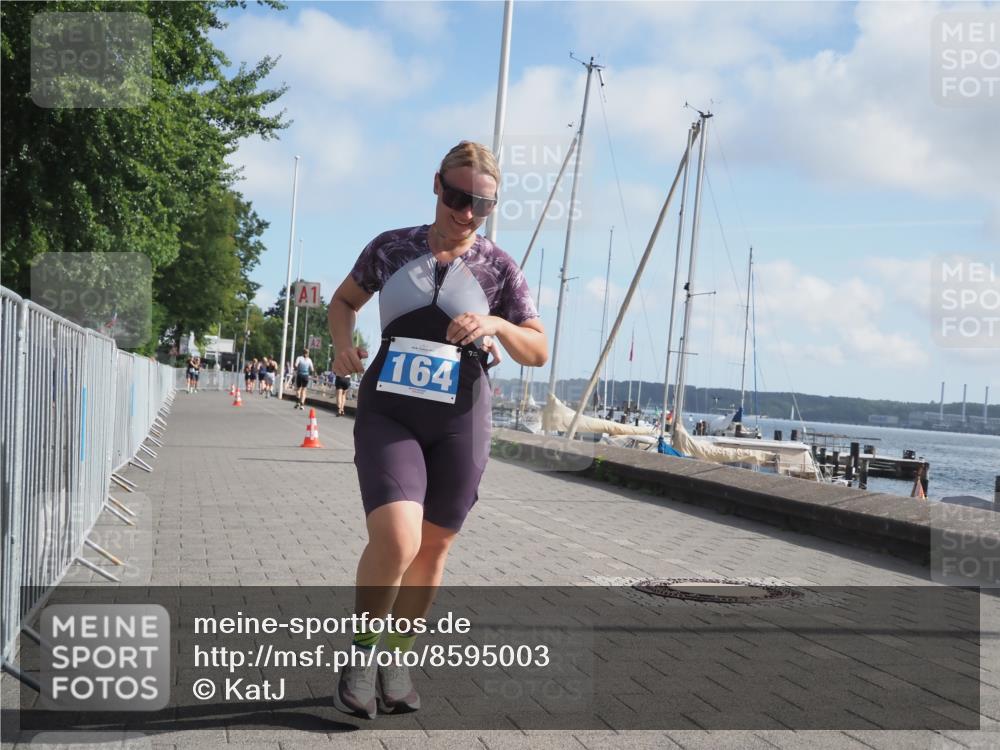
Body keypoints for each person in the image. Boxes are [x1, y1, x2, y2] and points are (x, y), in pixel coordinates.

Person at [328, 141, 547, 719]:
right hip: (391, 411)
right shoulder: (391, 247)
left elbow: (539, 350)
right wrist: (342, 344)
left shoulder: (499, 268)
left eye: (482, 204)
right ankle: (362, 652)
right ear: (436, 186)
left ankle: (396, 657)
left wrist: (497, 322)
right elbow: (343, 302)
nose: (466, 212)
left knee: (433, 547)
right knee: (398, 538)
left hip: (460, 417)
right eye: (457, 196)